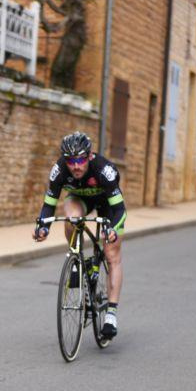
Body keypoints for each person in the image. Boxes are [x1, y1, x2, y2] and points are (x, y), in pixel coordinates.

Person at [33, 131, 126, 341]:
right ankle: (76, 259)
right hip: (80, 199)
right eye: (71, 161)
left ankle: (111, 314)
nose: (76, 166)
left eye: (80, 160)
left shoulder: (104, 170)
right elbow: (48, 206)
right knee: (71, 218)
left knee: (112, 253)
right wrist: (43, 228)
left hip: (108, 205)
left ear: (89, 156)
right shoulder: (58, 171)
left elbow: (120, 210)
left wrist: (112, 229)